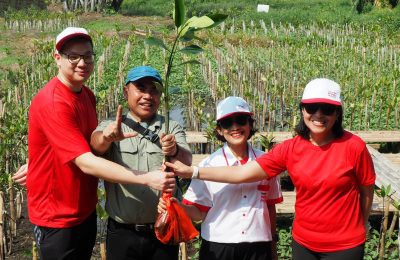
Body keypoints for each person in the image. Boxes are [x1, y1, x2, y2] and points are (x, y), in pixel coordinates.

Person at [166, 78, 376, 260]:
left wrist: (361, 224)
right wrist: (192, 172)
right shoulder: (289, 149)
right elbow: (241, 174)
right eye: (312, 108)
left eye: (327, 109)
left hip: (343, 245)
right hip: (303, 243)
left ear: (337, 113)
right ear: (303, 110)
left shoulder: (354, 146)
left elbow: (367, 190)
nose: (318, 115)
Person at [26, 27, 175, 259]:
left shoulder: (86, 95)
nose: (81, 63)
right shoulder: (53, 102)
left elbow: (75, 141)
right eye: (72, 56)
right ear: (57, 58)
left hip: (84, 210)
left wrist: (37, 162)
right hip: (57, 216)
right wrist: (147, 178)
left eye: (87, 56)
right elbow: (86, 162)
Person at [158, 96, 282, 260]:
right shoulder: (208, 165)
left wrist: (272, 245)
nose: (235, 127)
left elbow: (270, 208)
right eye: (227, 123)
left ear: (250, 124)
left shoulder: (267, 162)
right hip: (218, 247)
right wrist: (178, 205)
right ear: (219, 130)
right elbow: (198, 213)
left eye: (241, 120)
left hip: (259, 247)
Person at [90, 65, 192, 260]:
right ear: (126, 91)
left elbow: (186, 160)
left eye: (154, 90)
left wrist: (174, 149)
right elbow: (96, 146)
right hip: (122, 232)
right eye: (141, 88)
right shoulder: (112, 124)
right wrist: (107, 137)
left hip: (163, 226)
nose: (147, 95)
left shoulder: (170, 126)